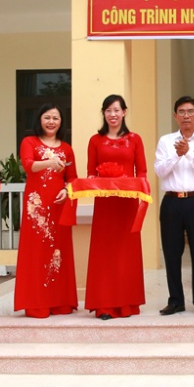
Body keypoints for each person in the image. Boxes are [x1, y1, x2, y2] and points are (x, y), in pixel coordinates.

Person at [85, 94, 148, 320]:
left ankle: (126, 303)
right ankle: (104, 305)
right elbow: (90, 172)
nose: (113, 114)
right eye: (108, 110)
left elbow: (142, 171)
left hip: (127, 202)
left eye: (117, 110)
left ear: (124, 112)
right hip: (105, 203)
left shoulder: (135, 139)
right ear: (104, 113)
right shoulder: (95, 140)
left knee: (126, 252)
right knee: (105, 253)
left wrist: (139, 189)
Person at [154, 96, 194, 317]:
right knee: (172, 253)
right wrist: (176, 155)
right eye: (181, 112)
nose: (186, 116)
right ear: (175, 116)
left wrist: (188, 152)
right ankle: (175, 300)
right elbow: (160, 170)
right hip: (171, 201)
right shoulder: (165, 141)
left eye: (190, 112)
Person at [14, 104, 78, 318]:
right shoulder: (29, 142)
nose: (51, 122)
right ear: (39, 119)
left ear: (61, 122)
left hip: (58, 205)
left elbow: (73, 178)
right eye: (47, 117)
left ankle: (59, 301)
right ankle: (36, 302)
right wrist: (50, 162)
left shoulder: (67, 148)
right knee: (36, 252)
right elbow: (29, 165)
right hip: (37, 208)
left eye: (56, 118)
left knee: (58, 251)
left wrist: (66, 190)